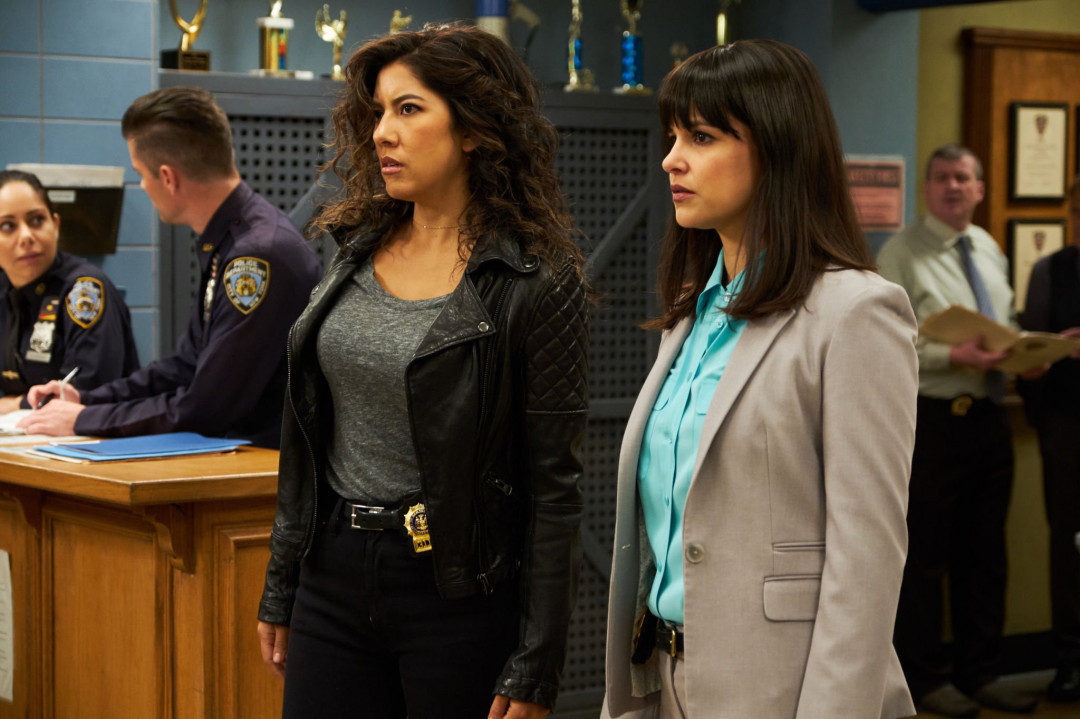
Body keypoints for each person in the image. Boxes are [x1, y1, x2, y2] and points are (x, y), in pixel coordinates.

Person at [256, 24, 589, 719]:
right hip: (333, 571)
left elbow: (554, 489)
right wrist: (283, 582)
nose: (383, 131)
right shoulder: (353, 248)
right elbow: (307, 438)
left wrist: (537, 661)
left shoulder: (533, 280)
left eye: (409, 109)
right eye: (379, 111)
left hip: (457, 588)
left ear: (473, 128)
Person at [601, 40, 918, 718]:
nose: (671, 158)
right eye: (673, 136)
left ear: (777, 148)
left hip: (783, 688)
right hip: (661, 677)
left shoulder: (856, 312)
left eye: (701, 137)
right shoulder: (695, 307)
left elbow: (867, 557)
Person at [17, 87, 322, 448]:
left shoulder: (256, 257)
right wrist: (85, 400)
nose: (142, 185)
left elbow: (206, 408)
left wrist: (83, 420)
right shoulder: (231, 241)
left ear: (168, 177)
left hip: (265, 467)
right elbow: (185, 366)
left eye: (141, 174)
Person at [878, 144, 1039, 716]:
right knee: (925, 558)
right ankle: (924, 680)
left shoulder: (989, 248)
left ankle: (981, 673)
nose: (952, 186)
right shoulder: (901, 253)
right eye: (942, 177)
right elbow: (888, 340)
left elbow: (1003, 324)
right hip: (933, 421)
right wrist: (953, 355)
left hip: (989, 420)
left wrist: (1027, 352)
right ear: (927, 189)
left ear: (979, 190)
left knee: (985, 555)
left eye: (963, 177)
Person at [0, 170, 140, 412]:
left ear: (55, 225)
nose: (26, 236)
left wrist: (13, 404)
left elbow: (85, 395)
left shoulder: (85, 290)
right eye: (7, 226)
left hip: (93, 431)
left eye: (36, 220)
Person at [1018, 174, 1080, 703]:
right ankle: (1070, 659)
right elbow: (1028, 355)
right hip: (1066, 424)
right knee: (1068, 541)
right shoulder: (1049, 270)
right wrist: (1047, 353)